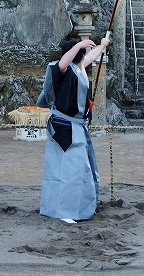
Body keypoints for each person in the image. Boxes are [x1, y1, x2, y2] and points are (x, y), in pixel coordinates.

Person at [37, 36, 110, 224]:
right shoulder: (63, 68)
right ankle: (64, 211)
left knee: (79, 170)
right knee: (66, 171)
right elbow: (62, 62)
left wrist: (102, 45)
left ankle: (78, 206)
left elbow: (92, 56)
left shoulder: (80, 66)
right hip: (64, 126)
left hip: (77, 126)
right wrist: (79, 44)